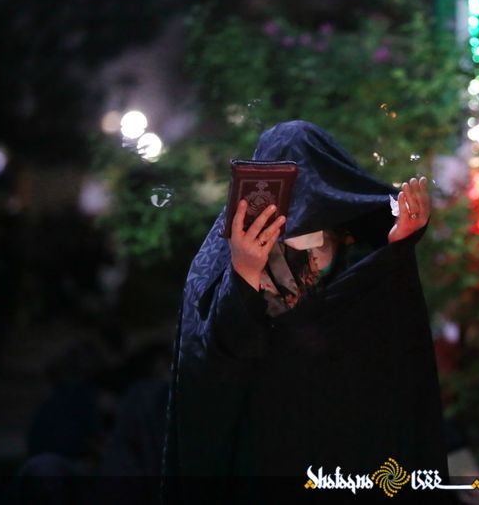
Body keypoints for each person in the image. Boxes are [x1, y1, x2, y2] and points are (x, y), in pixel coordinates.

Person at [162, 120, 449, 502]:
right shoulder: (221, 259)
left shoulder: (350, 241)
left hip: (343, 452)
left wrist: (397, 245)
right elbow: (212, 362)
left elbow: (379, 327)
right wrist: (244, 271)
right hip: (262, 451)